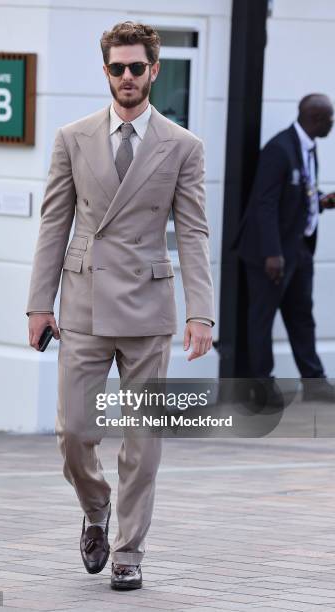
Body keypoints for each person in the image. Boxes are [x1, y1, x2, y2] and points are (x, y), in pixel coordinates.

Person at [26, 22, 214, 590]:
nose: (127, 77)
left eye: (137, 67)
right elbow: (54, 222)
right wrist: (39, 303)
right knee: (74, 433)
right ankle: (96, 509)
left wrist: (200, 312)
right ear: (104, 70)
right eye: (117, 68)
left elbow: (194, 233)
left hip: (148, 308)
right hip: (82, 303)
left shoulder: (183, 146)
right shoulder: (72, 138)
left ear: (154, 70)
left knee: (142, 438)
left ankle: (130, 549)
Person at [236, 93, 335, 405]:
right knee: (262, 318)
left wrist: (320, 201)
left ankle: (314, 383)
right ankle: (262, 390)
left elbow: (297, 192)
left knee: (301, 316)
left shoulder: (308, 148)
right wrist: (271, 253)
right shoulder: (280, 150)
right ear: (316, 119)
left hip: (299, 249)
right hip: (272, 254)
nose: (333, 124)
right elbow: (263, 204)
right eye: (330, 119)